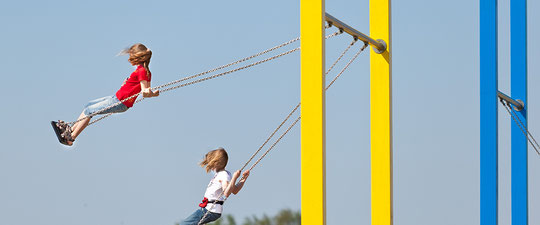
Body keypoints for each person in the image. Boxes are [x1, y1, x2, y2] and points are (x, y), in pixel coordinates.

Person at [52, 43, 159, 146]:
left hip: (120, 102)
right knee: (88, 105)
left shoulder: (142, 71)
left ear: (137, 57)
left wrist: (148, 92)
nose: (129, 58)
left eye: (130, 55)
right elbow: (146, 92)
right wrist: (152, 93)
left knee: (89, 111)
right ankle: (70, 130)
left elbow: (145, 91)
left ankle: (71, 138)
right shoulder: (145, 71)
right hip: (116, 98)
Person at [180, 148, 250, 225]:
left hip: (210, 210)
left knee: (184, 224)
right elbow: (235, 190)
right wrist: (243, 179)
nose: (209, 166)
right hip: (210, 209)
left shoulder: (223, 175)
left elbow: (226, 193)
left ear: (216, 162)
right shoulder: (223, 174)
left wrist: (234, 178)